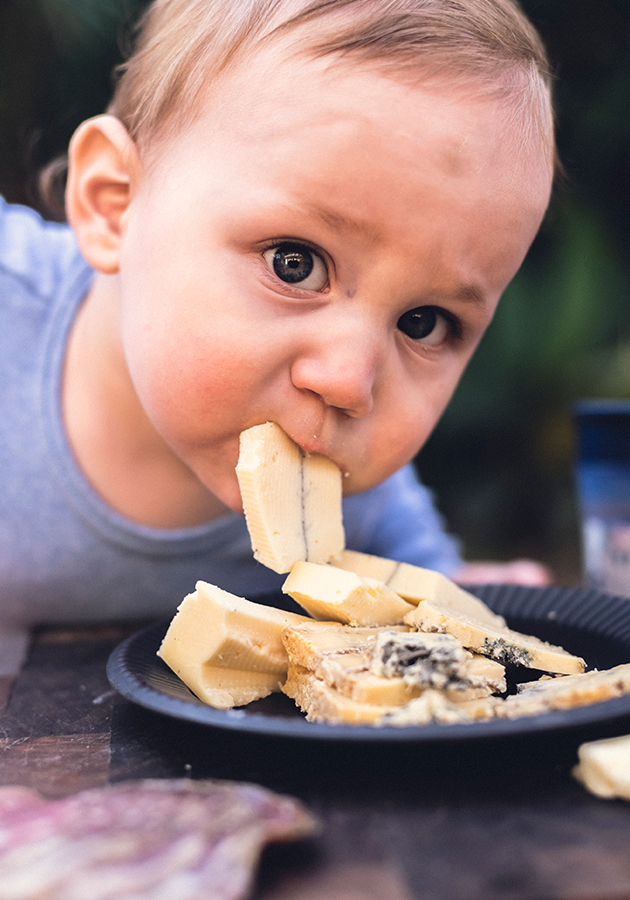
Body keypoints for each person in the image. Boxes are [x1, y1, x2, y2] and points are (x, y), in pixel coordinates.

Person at [0, 0, 554, 633]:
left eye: (423, 322)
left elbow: (420, 598)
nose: (349, 382)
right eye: (295, 264)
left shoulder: (363, 508)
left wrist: (457, 607)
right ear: (115, 204)